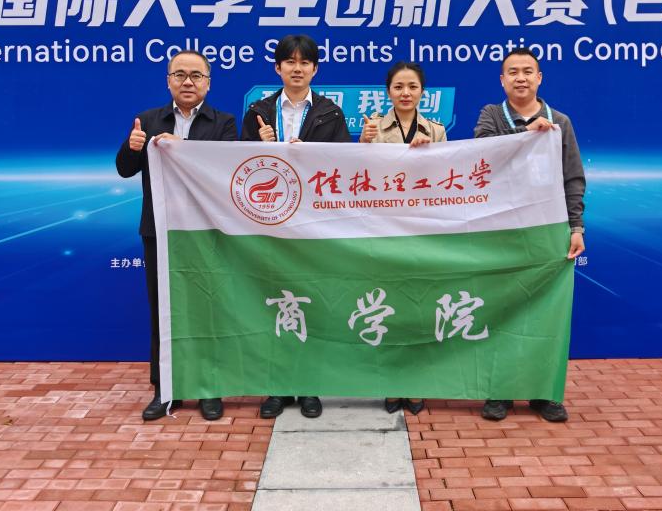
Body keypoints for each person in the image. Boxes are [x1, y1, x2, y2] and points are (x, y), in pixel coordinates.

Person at [116, 50, 237, 422]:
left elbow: (227, 172)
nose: (188, 82)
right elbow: (124, 170)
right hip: (160, 230)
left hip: (207, 232)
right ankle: (166, 389)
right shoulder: (149, 119)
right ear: (168, 80)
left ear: (208, 83)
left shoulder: (224, 123)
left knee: (208, 309)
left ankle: (210, 389)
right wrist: (132, 147)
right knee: (164, 310)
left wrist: (184, 150)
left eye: (196, 75)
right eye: (180, 74)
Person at [473, 47, 585, 423]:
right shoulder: (491, 115)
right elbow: (484, 156)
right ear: (502, 80)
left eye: (527, 71)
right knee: (501, 309)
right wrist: (525, 133)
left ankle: (544, 392)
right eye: (512, 72)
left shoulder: (560, 122)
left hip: (547, 230)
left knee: (545, 314)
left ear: (539, 78)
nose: (520, 78)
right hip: (502, 230)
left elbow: (573, 178)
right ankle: (499, 391)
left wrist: (576, 227)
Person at [241, 34, 350, 419]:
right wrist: (259, 145)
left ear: (315, 69)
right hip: (270, 222)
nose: (297, 68)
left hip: (313, 224)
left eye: (305, 62)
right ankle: (276, 386)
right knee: (273, 302)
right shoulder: (258, 112)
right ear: (278, 67)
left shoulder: (331, 113)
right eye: (290, 62)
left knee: (310, 302)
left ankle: (309, 385)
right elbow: (237, 168)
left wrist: (312, 156)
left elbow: (342, 167)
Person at [359, 61, 445, 416]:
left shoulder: (436, 131)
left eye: (412, 87)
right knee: (389, 309)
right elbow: (361, 177)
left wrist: (429, 155)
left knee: (420, 308)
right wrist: (364, 143)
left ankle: (416, 382)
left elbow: (446, 182)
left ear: (422, 91)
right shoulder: (373, 129)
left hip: (423, 233)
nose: (405, 93)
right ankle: (392, 383)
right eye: (398, 87)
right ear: (388, 92)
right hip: (385, 233)